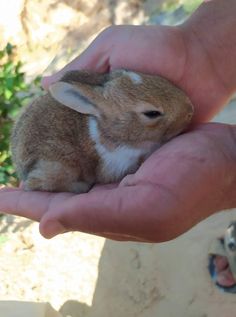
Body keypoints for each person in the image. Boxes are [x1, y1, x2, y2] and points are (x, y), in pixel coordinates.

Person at [0, 0, 235, 244]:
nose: (187, 111)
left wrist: (200, 47)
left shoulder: (117, 113)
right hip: (48, 160)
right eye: (151, 114)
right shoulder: (108, 141)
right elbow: (109, 171)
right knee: (57, 170)